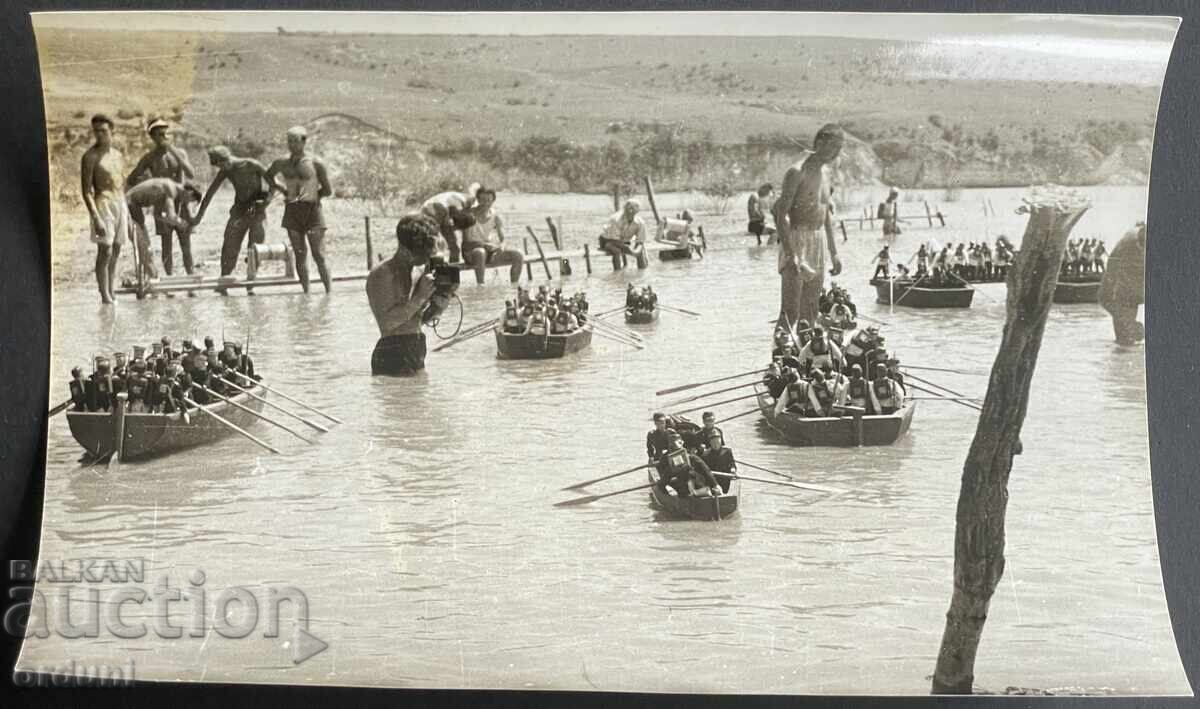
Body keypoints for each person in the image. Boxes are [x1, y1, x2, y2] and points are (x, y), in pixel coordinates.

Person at [772, 124, 844, 331]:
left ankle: (805, 360)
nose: (836, 154)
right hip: (796, 237)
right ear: (819, 143)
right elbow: (781, 213)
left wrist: (834, 252)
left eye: (839, 149)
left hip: (818, 238)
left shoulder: (827, 172)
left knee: (811, 310)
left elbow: (826, 213)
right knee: (790, 312)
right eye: (833, 148)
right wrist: (790, 252)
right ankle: (779, 358)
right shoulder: (797, 171)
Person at [366, 213, 441, 376]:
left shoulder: (416, 271)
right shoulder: (383, 274)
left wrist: (441, 300)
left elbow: (417, 320)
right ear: (406, 250)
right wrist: (420, 297)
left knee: (419, 399)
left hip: (416, 347)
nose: (427, 259)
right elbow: (388, 323)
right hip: (393, 350)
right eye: (423, 254)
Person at [190, 145, 273, 287]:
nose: (220, 169)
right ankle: (224, 281)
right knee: (230, 245)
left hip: (257, 210)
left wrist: (266, 202)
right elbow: (209, 194)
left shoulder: (252, 164)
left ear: (225, 160)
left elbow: (274, 184)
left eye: (220, 165)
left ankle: (251, 285)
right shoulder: (225, 171)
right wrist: (198, 218)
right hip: (239, 211)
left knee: (255, 248)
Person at [265, 126, 333, 293]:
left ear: (304, 142)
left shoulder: (315, 163)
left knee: (318, 255)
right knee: (300, 254)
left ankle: (329, 294)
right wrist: (282, 189)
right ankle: (306, 294)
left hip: (312, 211)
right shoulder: (282, 163)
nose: (292, 145)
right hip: (292, 210)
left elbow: (328, 189)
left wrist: (313, 196)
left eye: (296, 141)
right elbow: (268, 175)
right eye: (289, 141)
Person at [81, 114, 130, 304]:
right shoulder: (90, 157)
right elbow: (86, 191)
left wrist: (127, 212)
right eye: (96, 131)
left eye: (103, 131)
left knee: (116, 249)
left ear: (112, 131)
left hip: (120, 203)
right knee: (105, 250)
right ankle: (104, 295)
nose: (99, 135)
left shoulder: (118, 155)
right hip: (103, 203)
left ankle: (111, 290)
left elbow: (121, 185)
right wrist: (96, 217)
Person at [126, 177, 203, 285]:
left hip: (133, 207)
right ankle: (151, 283)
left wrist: (175, 222)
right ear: (189, 193)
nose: (184, 203)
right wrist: (181, 223)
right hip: (127, 206)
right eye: (189, 201)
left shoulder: (168, 188)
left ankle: (149, 281)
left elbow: (158, 215)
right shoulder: (170, 189)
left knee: (145, 248)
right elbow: (171, 216)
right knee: (144, 248)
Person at [461, 186, 524, 285]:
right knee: (480, 252)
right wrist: (484, 245)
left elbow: (503, 239)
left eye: (489, 200)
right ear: (477, 199)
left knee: (518, 255)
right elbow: (466, 242)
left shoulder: (495, 216)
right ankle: (481, 286)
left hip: (489, 251)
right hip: (471, 253)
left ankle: (514, 286)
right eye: (482, 200)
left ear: (493, 201)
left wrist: (501, 247)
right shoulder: (469, 214)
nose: (485, 203)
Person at [1099, 223, 1146, 346]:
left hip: (1122, 288)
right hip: (1122, 288)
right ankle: (1133, 332)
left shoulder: (1131, 237)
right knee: (1125, 339)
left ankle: (1132, 333)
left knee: (1124, 340)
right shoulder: (1133, 238)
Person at [656, 430, 721, 498]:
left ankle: (698, 492)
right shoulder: (667, 459)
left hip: (697, 484)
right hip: (682, 487)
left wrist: (715, 485)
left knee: (694, 477)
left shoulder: (691, 457)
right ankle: (694, 493)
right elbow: (664, 477)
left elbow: (706, 470)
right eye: (675, 449)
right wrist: (665, 491)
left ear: (682, 444)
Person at [420, 187, 478, 263]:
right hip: (433, 209)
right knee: (436, 245)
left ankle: (452, 269)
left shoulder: (460, 202)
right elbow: (455, 219)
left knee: (454, 248)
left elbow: (456, 221)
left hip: (433, 209)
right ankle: (432, 269)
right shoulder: (461, 201)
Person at [599, 199, 649, 270]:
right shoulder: (615, 219)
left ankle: (642, 273)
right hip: (608, 240)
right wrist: (628, 249)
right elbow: (614, 239)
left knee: (639, 252)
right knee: (616, 251)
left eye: (633, 209)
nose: (630, 211)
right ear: (625, 209)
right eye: (628, 209)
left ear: (637, 211)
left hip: (624, 241)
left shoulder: (640, 222)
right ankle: (617, 275)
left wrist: (636, 251)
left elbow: (640, 241)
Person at [695, 411, 735, 484]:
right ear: (704, 422)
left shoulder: (718, 431)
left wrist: (732, 468)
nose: (711, 423)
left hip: (717, 454)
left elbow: (722, 446)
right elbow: (696, 451)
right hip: (706, 458)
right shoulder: (699, 434)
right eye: (708, 420)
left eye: (712, 420)